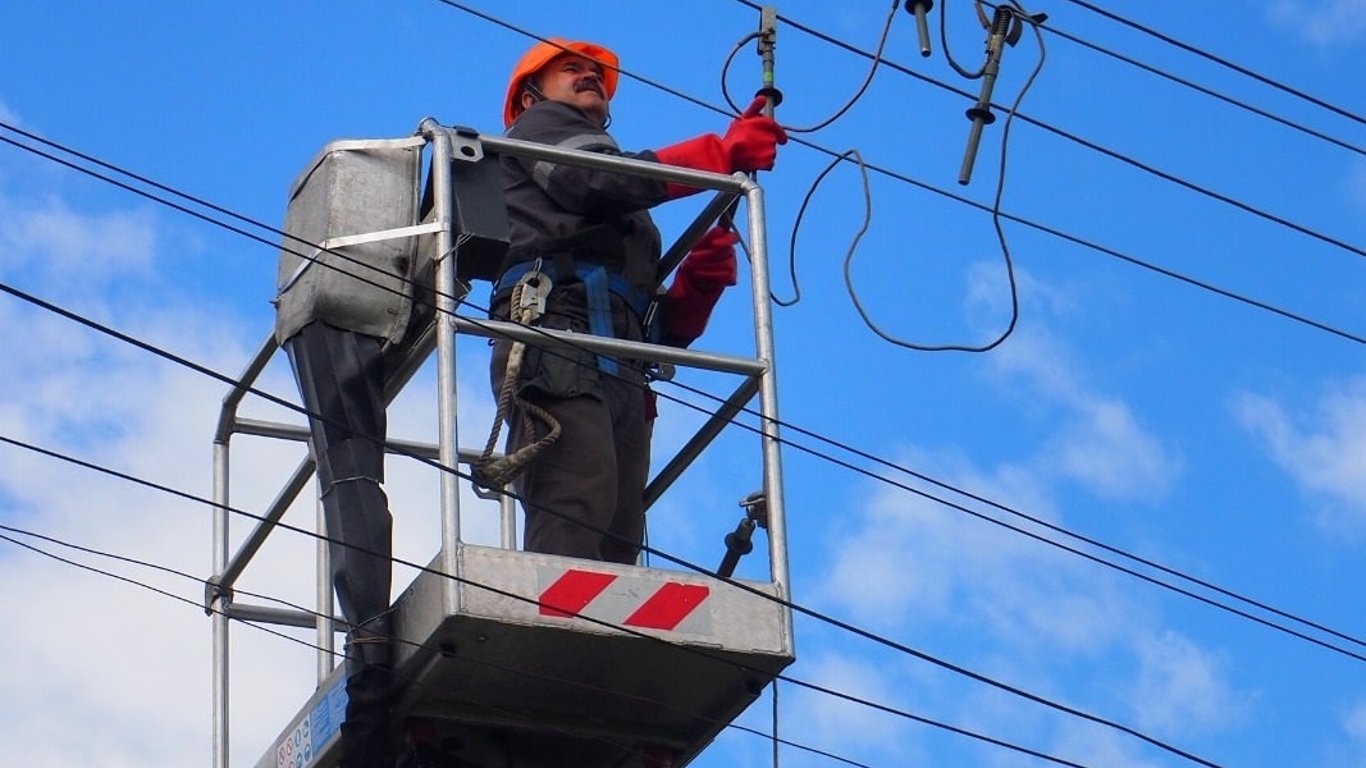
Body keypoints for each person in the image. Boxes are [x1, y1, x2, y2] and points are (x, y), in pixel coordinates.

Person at [489, 38, 786, 565]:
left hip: (620, 362)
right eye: (572, 70)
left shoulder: (624, 206)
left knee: (620, 529)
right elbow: (597, 181)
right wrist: (720, 154)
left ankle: (594, 641)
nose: (591, 78)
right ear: (531, 98)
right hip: (557, 334)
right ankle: (559, 627)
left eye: (596, 75)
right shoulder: (538, 131)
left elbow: (661, 332)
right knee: (576, 495)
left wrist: (700, 283)